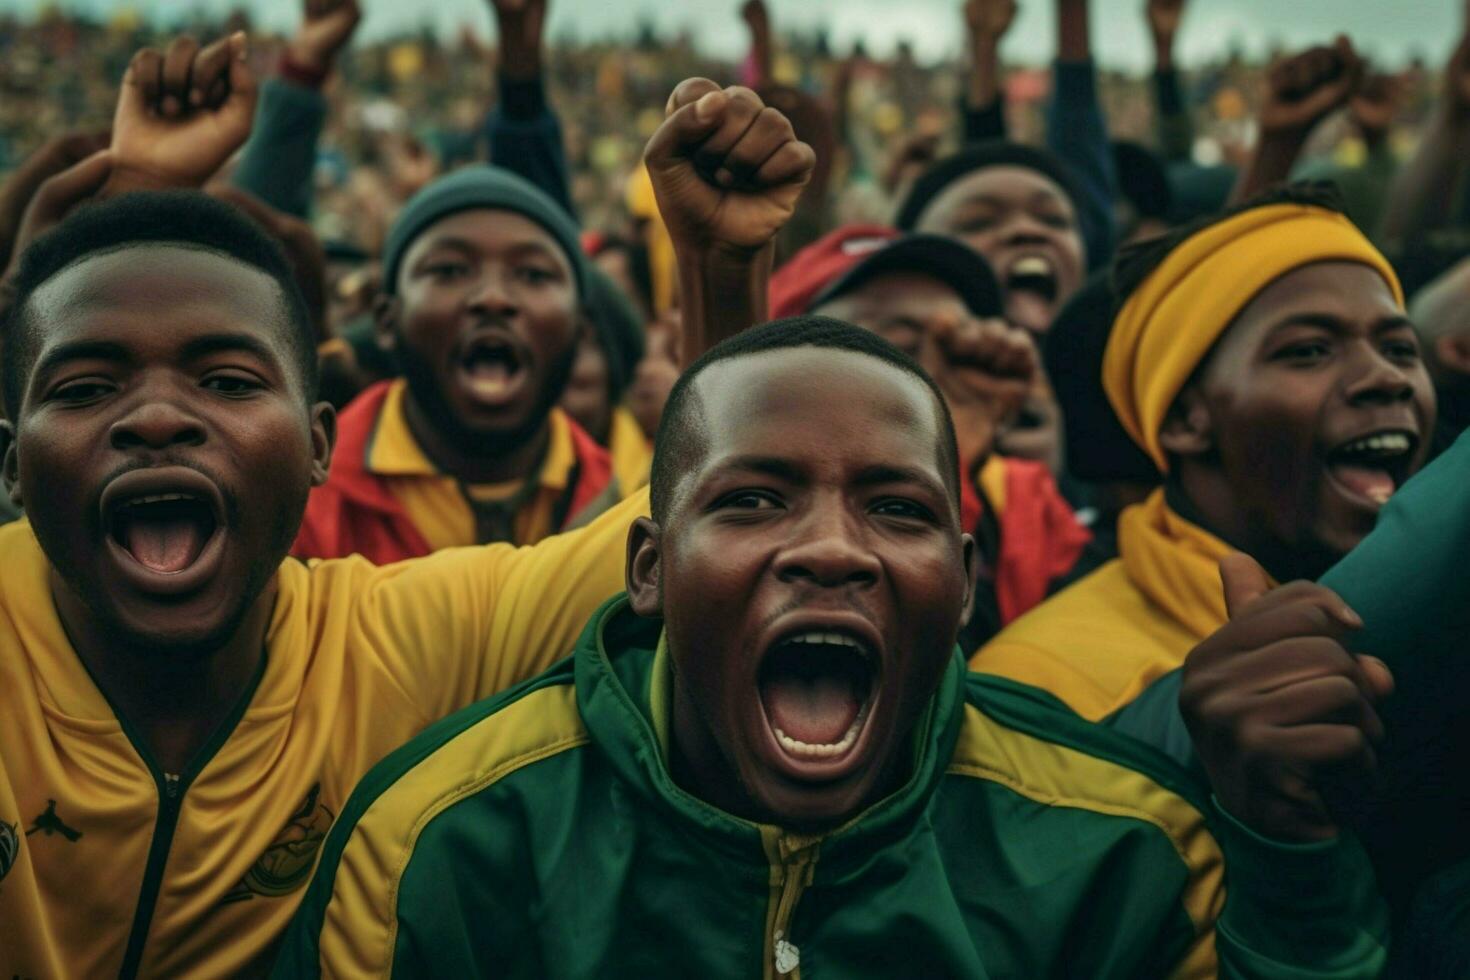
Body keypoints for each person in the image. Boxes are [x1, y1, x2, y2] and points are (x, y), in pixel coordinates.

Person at [0, 52, 813, 979]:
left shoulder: (401, 643)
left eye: (227, 381)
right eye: (87, 386)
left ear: (318, 446)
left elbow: (706, 529)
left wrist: (720, 269)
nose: (155, 418)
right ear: (12, 465)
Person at [276, 317, 1388, 979]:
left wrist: (1290, 855)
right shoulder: (445, 838)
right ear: (651, 568)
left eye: (895, 510)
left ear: (963, 581)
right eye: (755, 499)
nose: (828, 550)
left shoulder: (1122, 848)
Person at [971, 183, 1436, 723]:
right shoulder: (1039, 686)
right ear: (1185, 419)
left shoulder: (1443, 607)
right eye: (1308, 351)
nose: (1386, 377)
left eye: (1401, 349)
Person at [290, 164, 631, 559]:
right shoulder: (302, 502)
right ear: (386, 320)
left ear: (581, 328)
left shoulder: (627, 512)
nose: (492, 297)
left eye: (533, 274)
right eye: (449, 270)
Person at [770, 224, 1089, 646]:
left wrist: (947, 453)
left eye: (953, 345)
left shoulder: (1025, 503)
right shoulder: (738, 496)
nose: (919, 377)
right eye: (890, 347)